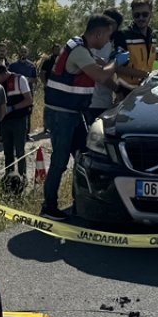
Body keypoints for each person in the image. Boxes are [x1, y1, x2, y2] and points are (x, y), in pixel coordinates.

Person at [40, 14, 118, 221]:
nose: (108, 42)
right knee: (59, 160)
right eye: (108, 37)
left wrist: (121, 89)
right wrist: (116, 63)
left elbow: (100, 71)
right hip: (62, 115)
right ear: (98, 34)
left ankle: (80, 201)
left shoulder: (81, 47)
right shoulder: (79, 51)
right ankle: (48, 206)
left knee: (83, 155)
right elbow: (101, 76)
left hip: (72, 113)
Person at [0, 63, 32, 176]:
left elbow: (29, 100)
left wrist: (12, 108)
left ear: (3, 73)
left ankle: (22, 176)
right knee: (7, 152)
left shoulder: (19, 79)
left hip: (19, 120)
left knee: (20, 150)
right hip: (5, 122)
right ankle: (9, 177)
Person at [116, 0, 156, 99]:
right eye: (137, 15)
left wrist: (156, 74)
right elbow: (116, 67)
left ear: (151, 13)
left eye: (145, 14)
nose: (141, 18)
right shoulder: (123, 35)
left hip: (148, 90)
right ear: (132, 15)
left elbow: (155, 61)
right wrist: (145, 75)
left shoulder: (153, 35)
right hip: (127, 92)